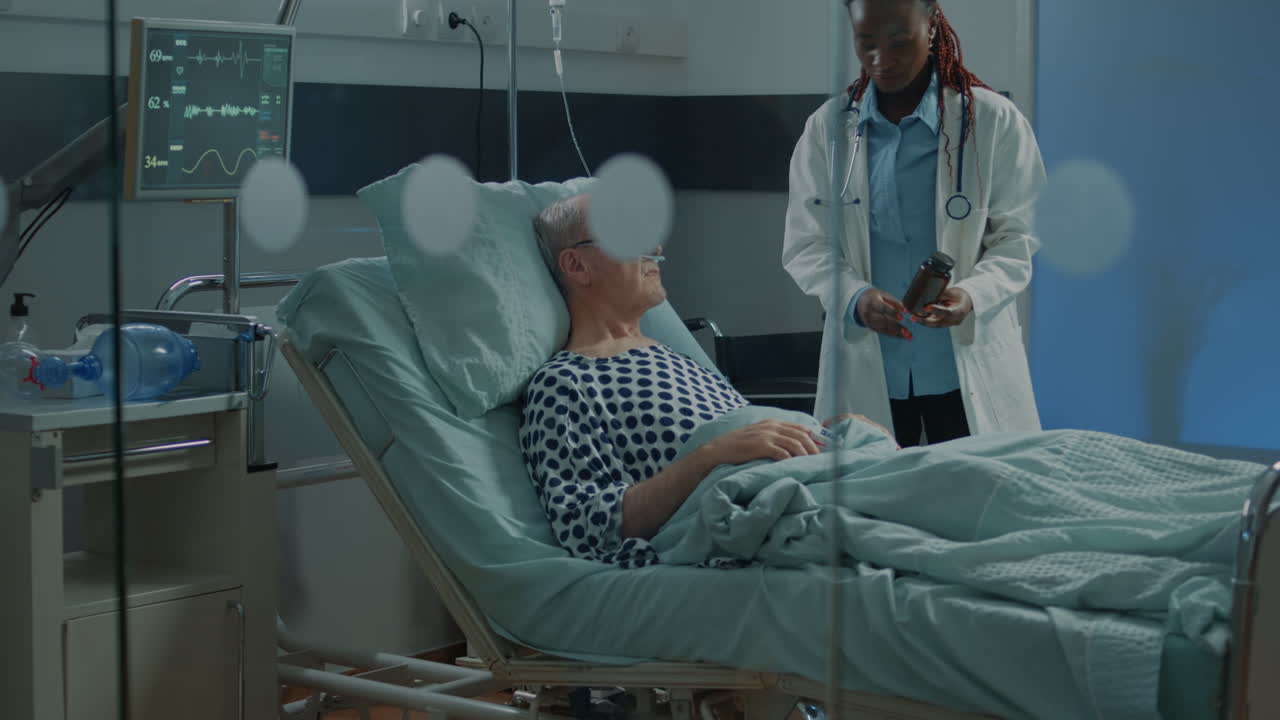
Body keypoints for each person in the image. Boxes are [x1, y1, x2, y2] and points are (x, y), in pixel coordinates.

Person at [522, 195, 891, 567]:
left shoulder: (677, 359)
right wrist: (711, 456)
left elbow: (751, 437)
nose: (655, 247)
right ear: (577, 264)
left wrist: (828, 435)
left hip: (813, 475)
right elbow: (588, 528)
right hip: (763, 505)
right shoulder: (565, 383)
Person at [782, 0, 1045, 446]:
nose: (881, 59)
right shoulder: (828, 129)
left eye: (899, 41)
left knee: (980, 496)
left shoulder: (992, 121)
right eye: (866, 44)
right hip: (871, 366)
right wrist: (856, 297)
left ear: (931, 28)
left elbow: (1018, 238)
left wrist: (971, 295)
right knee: (870, 504)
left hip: (961, 365)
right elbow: (806, 244)